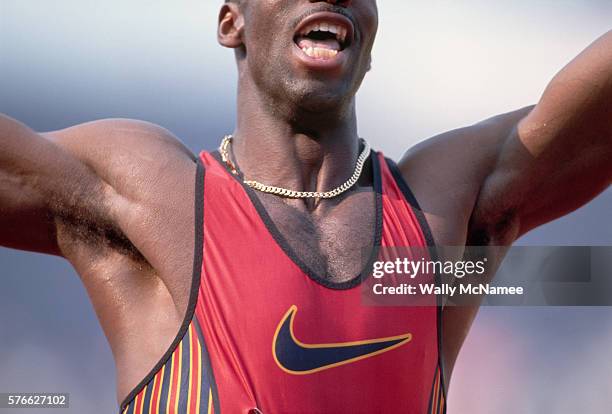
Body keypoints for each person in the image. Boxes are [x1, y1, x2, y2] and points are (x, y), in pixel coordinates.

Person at [0, 1, 610, 413]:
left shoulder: (439, 210)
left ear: (371, 39)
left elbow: (591, 126)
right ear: (231, 22)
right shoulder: (156, 197)